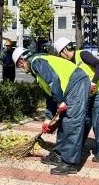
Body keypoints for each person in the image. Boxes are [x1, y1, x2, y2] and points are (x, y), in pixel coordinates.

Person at [12, 46, 90, 175]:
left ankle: (70, 163)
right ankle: (59, 155)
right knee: (64, 121)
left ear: (22, 60)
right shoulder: (38, 68)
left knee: (71, 122)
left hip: (77, 83)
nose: (22, 69)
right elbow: (50, 95)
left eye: (19, 66)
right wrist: (48, 118)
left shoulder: (37, 62)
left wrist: (60, 102)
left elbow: (54, 80)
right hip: (72, 86)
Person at [54, 37, 99, 163]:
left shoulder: (83, 54)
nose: (61, 57)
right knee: (84, 120)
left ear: (65, 50)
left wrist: (93, 82)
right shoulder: (71, 63)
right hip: (88, 95)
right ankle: (77, 147)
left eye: (60, 54)